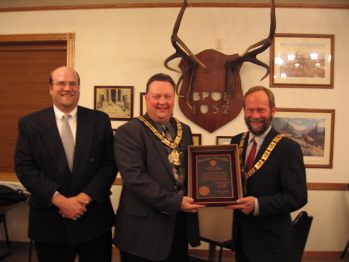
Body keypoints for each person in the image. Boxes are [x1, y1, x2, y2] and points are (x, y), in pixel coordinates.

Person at [14, 66, 117, 262]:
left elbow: (109, 165)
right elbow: (24, 168)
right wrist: (60, 200)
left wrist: (83, 199)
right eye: (61, 83)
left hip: (92, 217)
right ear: (50, 88)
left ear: (78, 88)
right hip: (50, 220)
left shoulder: (99, 120)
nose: (67, 88)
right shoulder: (30, 124)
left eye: (73, 84)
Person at [113, 73, 205, 262]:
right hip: (142, 231)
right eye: (156, 97)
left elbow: (191, 171)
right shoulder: (129, 131)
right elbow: (135, 178)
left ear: (174, 99)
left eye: (167, 96)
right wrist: (175, 202)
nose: (162, 102)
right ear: (146, 99)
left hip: (178, 224)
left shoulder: (184, 130)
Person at [227, 86, 307, 262]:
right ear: (244, 111)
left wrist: (257, 204)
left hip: (272, 242)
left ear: (273, 111)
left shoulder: (288, 148)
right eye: (250, 110)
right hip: (242, 237)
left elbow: (297, 196)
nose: (255, 116)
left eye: (261, 110)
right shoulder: (236, 142)